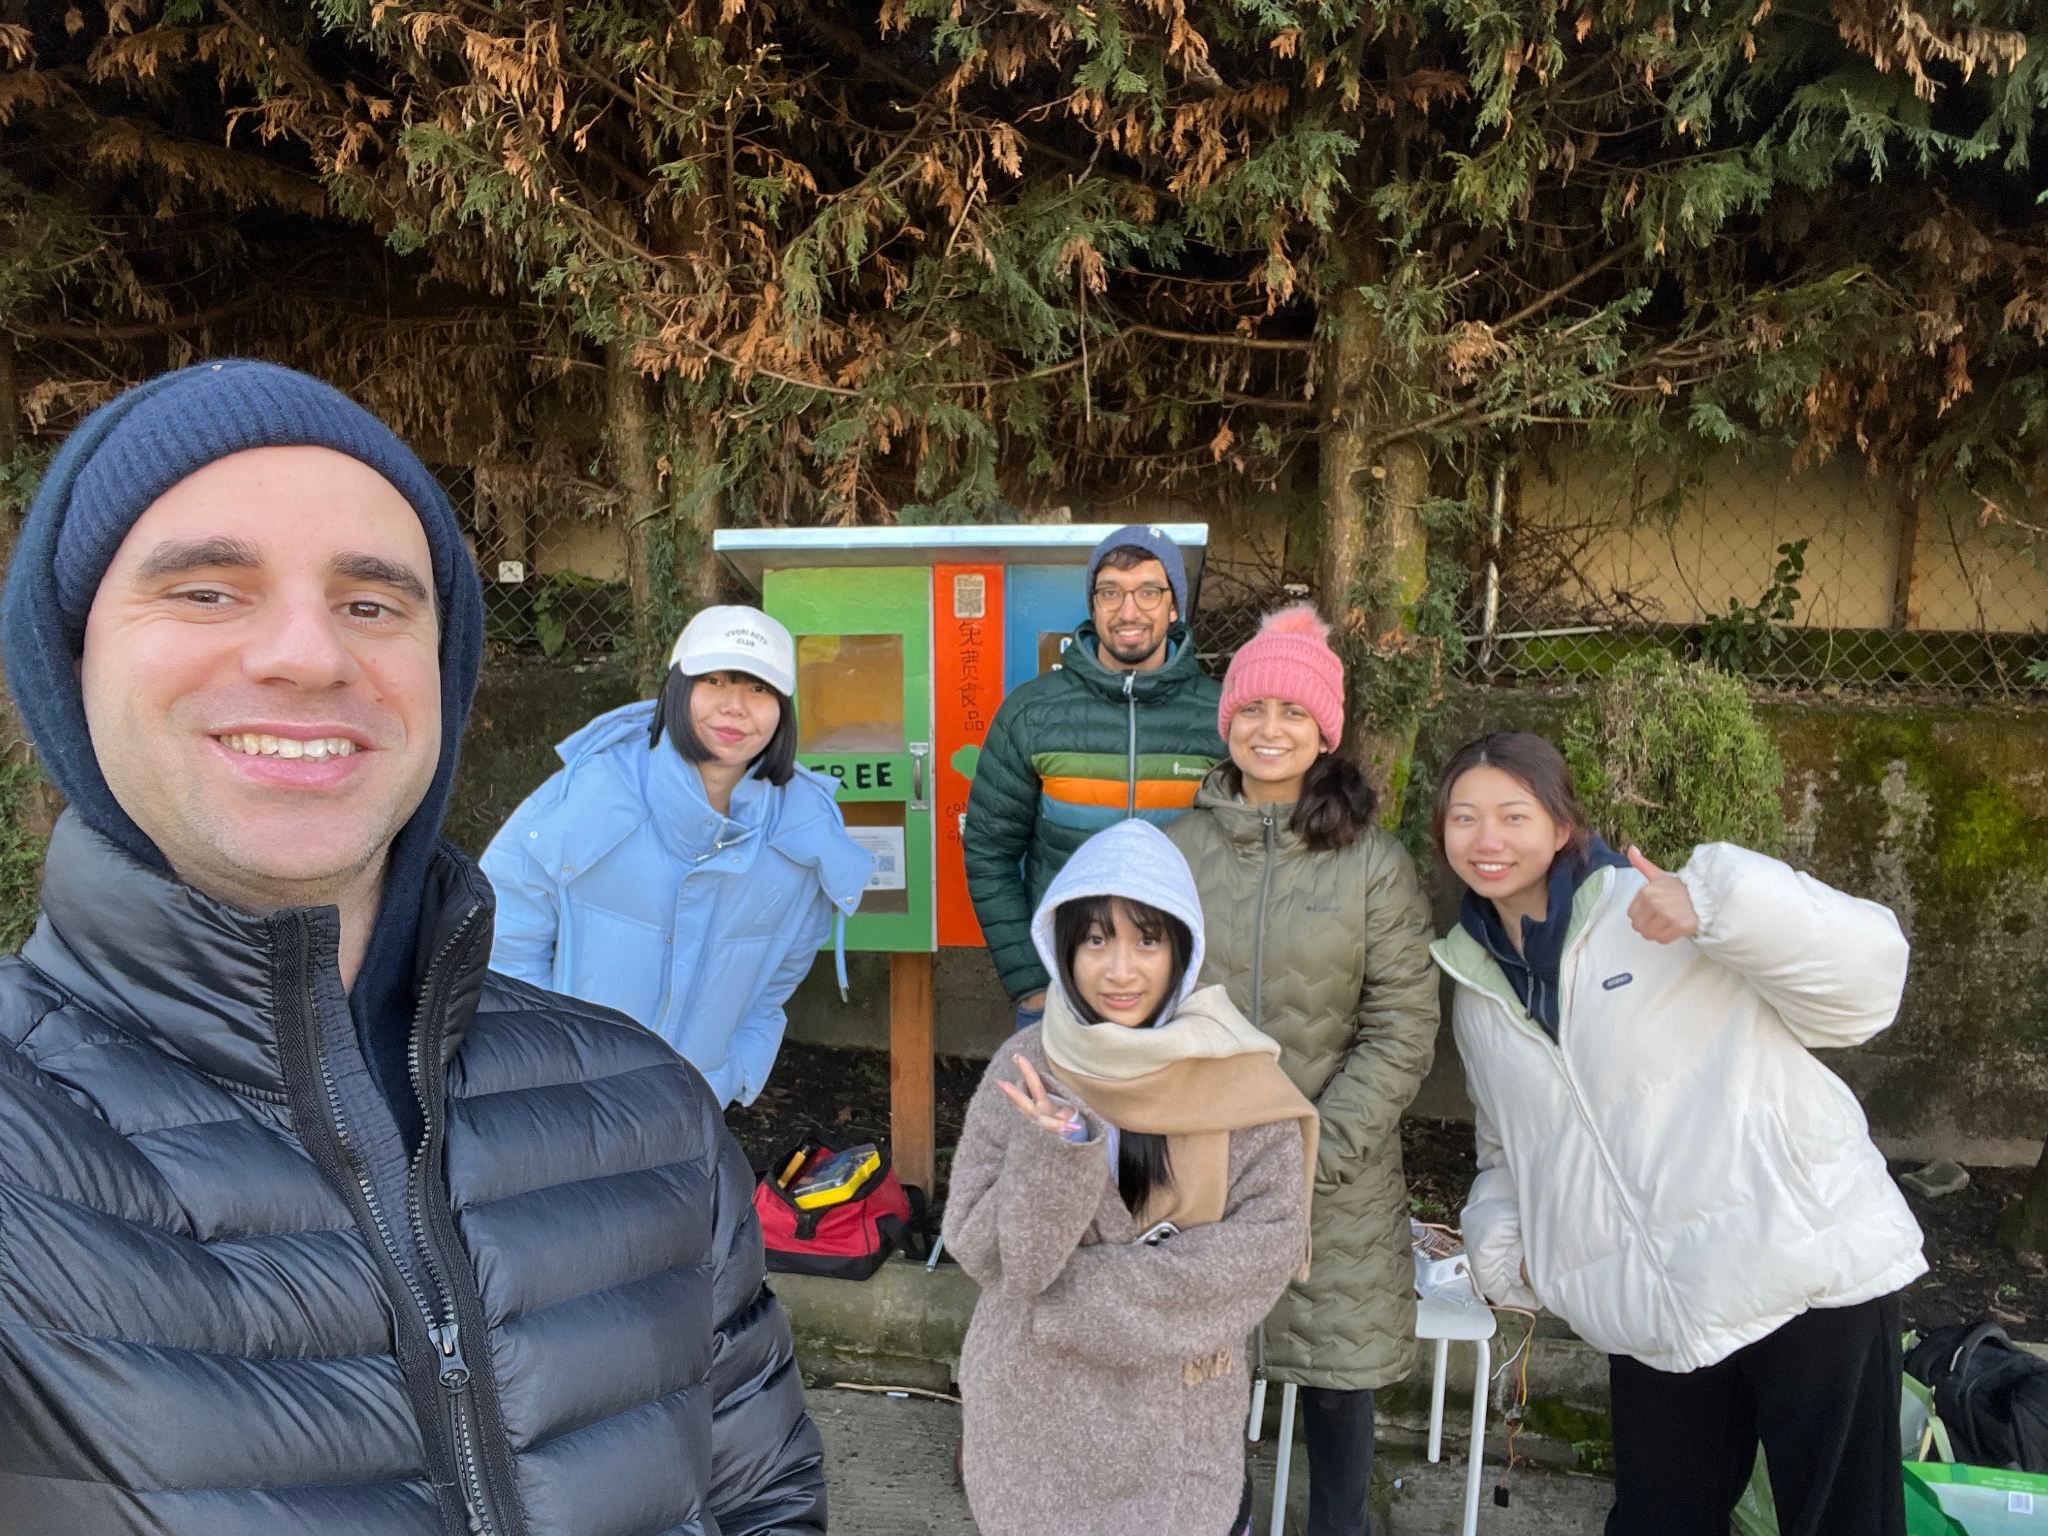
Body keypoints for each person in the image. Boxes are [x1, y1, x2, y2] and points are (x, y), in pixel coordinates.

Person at [0, 360, 825, 1534]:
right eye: (206, 592)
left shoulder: (664, 1120)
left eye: (373, 604)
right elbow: (524, 905)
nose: (308, 655)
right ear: (66, 659)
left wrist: (710, 1068)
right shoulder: (588, 800)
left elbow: (760, 1497)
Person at [1429, 730, 1925, 1536]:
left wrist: (1725, 905)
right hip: (1655, 1313)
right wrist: (1502, 1242)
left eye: (1514, 815)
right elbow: (1507, 1149)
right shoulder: (1477, 987)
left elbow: (1870, 983)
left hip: (1804, 1272)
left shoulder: (1653, 907)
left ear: (1561, 826)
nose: (1488, 840)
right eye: (1465, 818)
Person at [942, 818, 1318, 1536]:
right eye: (1095, 940)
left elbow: (1261, 1251)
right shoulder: (1028, 1066)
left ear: (1182, 949)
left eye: (1147, 939)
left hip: (1175, 1428)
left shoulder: (1236, 1076)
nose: (1120, 970)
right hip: (1036, 1425)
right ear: (1063, 949)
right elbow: (996, 1257)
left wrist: (1066, 1305)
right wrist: (1055, 1153)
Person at [1167, 604, 1439, 1536]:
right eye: (1252, 709)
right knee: (1203, 1375)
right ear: (1227, 721)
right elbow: (1133, 997)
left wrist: (1315, 1143)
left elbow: (1403, 1025)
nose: (1270, 729)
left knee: (1336, 1384)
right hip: (1199, 1164)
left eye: (1293, 712)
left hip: (1337, 1174)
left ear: (1324, 731)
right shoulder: (1175, 849)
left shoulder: (1372, 863)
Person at [481, 604, 871, 1107]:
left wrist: (731, 1076)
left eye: (759, 689)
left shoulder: (803, 833)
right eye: (713, 681)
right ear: (677, 687)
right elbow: (505, 939)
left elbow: (776, 984)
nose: (735, 706)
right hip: (562, 1107)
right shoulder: (595, 792)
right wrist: (547, 1074)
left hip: (690, 1115)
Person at [963, 523, 1223, 1030]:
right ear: (1093, 604)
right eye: (1111, 592)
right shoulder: (1032, 713)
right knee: (1049, 1114)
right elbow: (989, 849)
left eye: (1150, 591)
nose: (1129, 611)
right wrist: (1030, 982)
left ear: (1175, 607)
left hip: (1181, 998)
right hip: (1062, 996)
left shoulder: (1219, 718)